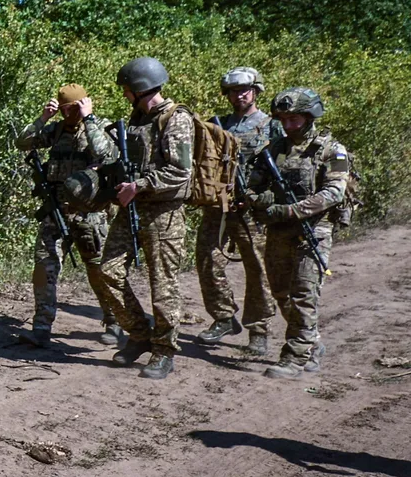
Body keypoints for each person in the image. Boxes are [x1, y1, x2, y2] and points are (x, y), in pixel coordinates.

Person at [95, 57, 192, 380]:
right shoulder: (137, 120)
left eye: (126, 90)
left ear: (139, 88)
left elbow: (180, 173)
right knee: (107, 270)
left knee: (163, 285)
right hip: (131, 207)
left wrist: (140, 186)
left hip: (163, 213)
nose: (124, 95)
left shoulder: (175, 120)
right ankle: (139, 333)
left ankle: (164, 350)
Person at [247, 87, 351, 379]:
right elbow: (253, 187)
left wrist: (292, 210)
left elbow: (334, 191)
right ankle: (312, 342)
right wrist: (263, 200)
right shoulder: (273, 150)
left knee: (304, 293)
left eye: (295, 119)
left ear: (309, 116)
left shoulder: (332, 150)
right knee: (281, 293)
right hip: (279, 230)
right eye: (284, 119)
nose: (289, 125)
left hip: (314, 230)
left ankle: (294, 357)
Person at [13, 83, 125, 348]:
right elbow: (23, 142)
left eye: (73, 108)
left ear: (84, 104)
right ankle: (41, 327)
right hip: (56, 211)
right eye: (65, 109)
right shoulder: (57, 129)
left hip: (91, 213)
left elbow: (107, 155)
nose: (69, 114)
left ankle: (114, 321)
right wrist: (43, 118)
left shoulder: (99, 127)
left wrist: (89, 118)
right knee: (44, 266)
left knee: (99, 269)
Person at [196, 67, 276, 355]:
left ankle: (259, 329)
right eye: (233, 91)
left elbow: (281, 169)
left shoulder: (271, 126)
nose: (239, 95)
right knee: (207, 260)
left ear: (255, 91)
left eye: (244, 90)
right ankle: (223, 316)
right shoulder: (217, 125)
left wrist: (261, 197)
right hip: (219, 206)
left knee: (258, 268)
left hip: (253, 210)